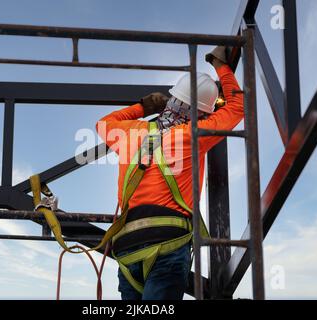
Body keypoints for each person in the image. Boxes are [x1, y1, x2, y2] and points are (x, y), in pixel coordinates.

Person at [95, 46, 244, 300]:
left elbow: (103, 123)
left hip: (127, 247)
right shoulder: (193, 134)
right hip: (169, 243)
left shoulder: (130, 132)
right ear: (201, 113)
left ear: (173, 99)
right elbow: (238, 107)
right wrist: (221, 65)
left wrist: (144, 107)